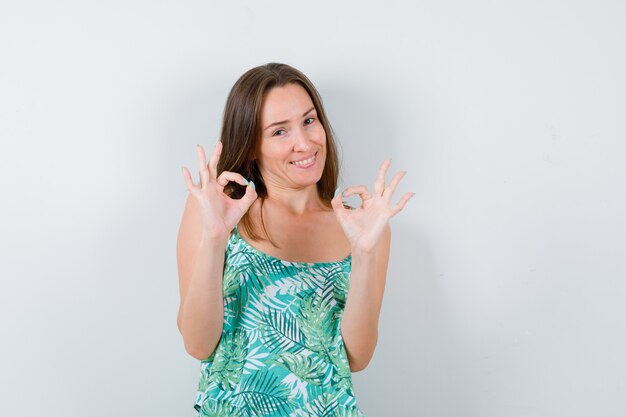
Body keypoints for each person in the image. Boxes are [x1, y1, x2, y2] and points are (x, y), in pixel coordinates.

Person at [176, 63, 413, 416]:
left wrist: (363, 253)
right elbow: (198, 344)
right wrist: (214, 238)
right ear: (252, 145)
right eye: (279, 132)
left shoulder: (362, 225)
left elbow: (357, 357)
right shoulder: (218, 212)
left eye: (309, 120)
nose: (304, 143)